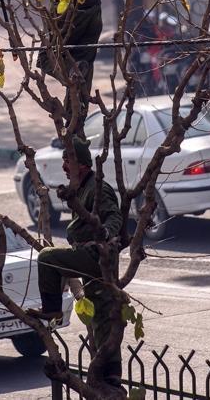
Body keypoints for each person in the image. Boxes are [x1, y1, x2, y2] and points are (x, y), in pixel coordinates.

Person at [28, 139, 125, 389]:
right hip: (91, 260)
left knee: (47, 257)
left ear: (81, 165)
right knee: (101, 318)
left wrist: (104, 234)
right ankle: (110, 374)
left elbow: (114, 217)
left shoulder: (97, 188)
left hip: (97, 259)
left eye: (67, 162)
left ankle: (52, 308)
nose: (63, 167)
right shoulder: (80, 188)